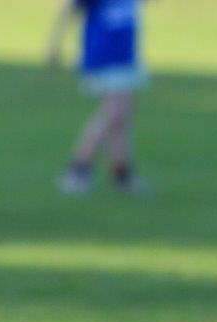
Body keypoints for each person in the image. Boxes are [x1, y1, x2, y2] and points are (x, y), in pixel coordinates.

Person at [47, 0, 149, 195]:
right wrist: (55, 44)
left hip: (126, 57)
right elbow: (71, 10)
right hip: (103, 57)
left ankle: (122, 174)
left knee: (121, 119)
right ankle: (78, 169)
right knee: (112, 114)